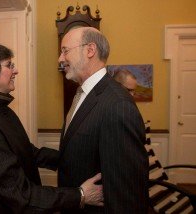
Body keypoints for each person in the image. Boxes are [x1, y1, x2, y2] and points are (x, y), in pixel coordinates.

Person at [0, 42, 103, 214]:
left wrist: (74, 158)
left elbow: (27, 152)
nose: (15, 71)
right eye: (9, 65)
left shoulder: (0, 109)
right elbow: (18, 193)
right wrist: (80, 195)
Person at [58, 27, 149, 213]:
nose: (60, 59)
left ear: (90, 50)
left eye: (65, 50)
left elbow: (127, 192)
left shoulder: (117, 104)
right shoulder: (83, 93)